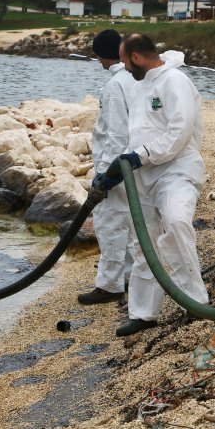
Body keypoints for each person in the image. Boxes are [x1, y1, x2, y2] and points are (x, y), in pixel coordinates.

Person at [94, 33, 209, 337]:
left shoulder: (175, 82)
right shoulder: (139, 86)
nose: (124, 68)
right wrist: (115, 168)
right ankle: (144, 314)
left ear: (135, 57)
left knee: (177, 223)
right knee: (143, 243)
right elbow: (133, 132)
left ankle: (195, 302)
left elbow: (179, 131)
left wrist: (140, 155)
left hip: (176, 170)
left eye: (124, 61)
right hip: (142, 177)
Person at [78, 29, 136, 305]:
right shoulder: (135, 79)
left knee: (109, 223)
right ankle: (126, 276)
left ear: (102, 55)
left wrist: (105, 174)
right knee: (128, 223)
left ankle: (109, 285)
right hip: (132, 165)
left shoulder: (114, 86)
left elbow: (116, 134)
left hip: (115, 166)